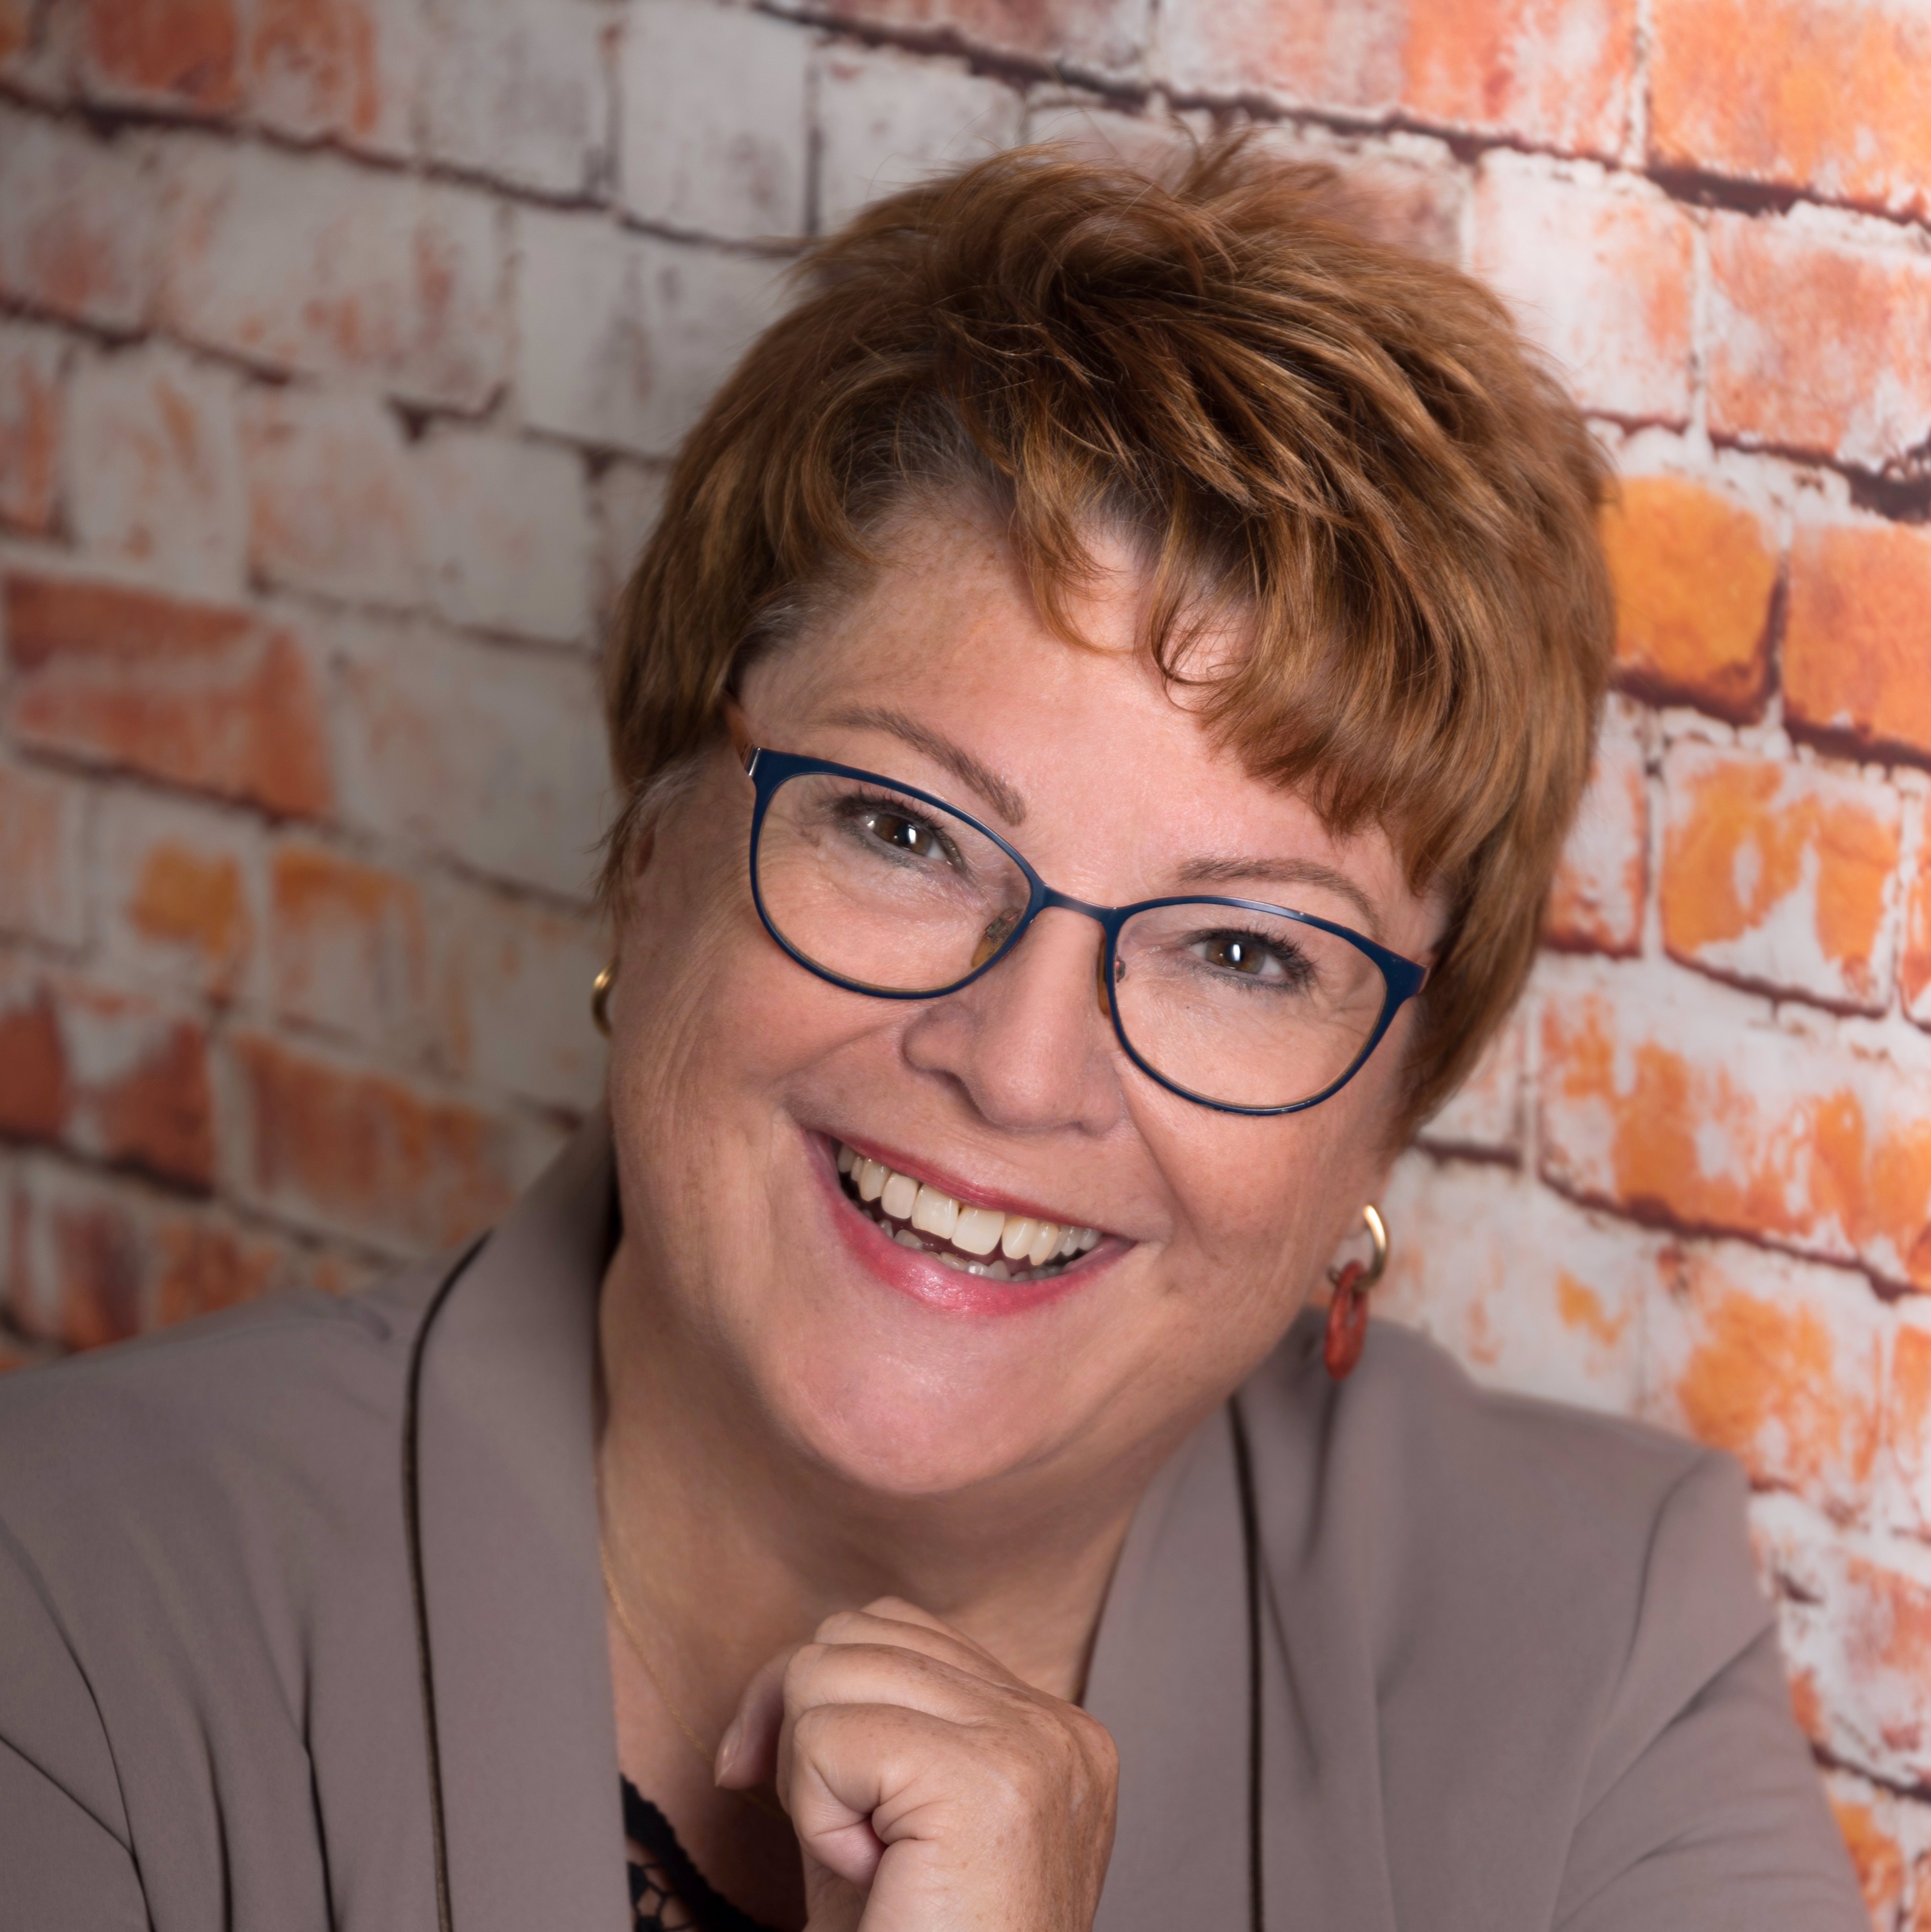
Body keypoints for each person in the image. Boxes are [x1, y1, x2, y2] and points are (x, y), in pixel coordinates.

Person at [0, 139, 1863, 1932]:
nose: (1019, 1067)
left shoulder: (1603, 1651)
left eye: (1241, 951)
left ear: (1390, 1114)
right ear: (653, 851)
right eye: (904, 833)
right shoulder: (67, 1599)